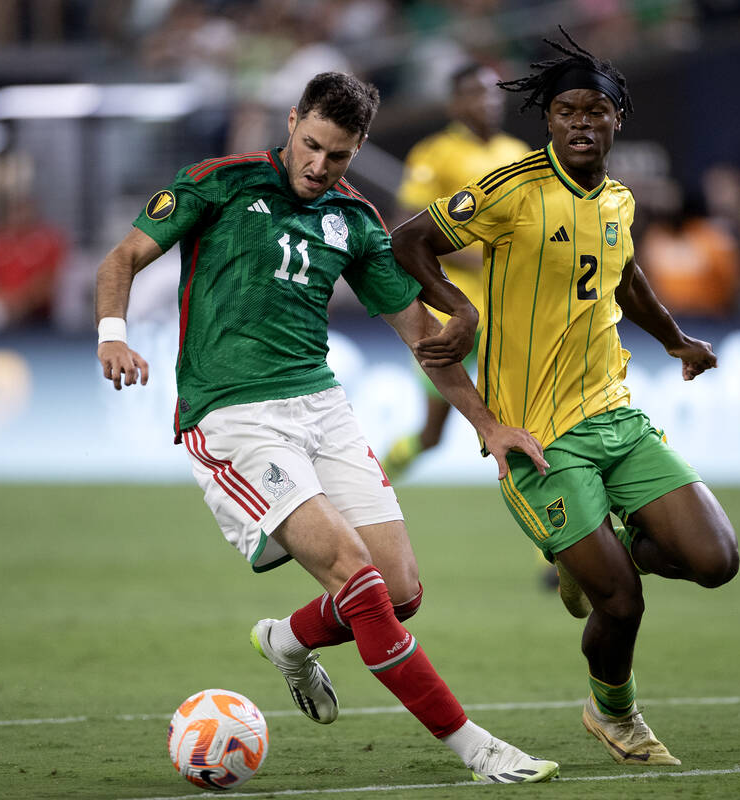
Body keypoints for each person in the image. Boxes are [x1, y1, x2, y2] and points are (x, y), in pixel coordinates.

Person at [94, 71, 559, 785]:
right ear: (291, 122)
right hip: (234, 417)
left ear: (358, 147)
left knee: (401, 593)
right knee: (362, 584)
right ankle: (477, 749)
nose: (318, 165)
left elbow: (421, 337)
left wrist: (488, 424)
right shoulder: (218, 183)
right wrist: (113, 334)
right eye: (310, 145)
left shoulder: (357, 222)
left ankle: (286, 640)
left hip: (323, 407)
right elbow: (123, 256)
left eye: (337, 155)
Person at [391, 30, 740, 766]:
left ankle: (605, 556)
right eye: (566, 110)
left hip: (617, 415)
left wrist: (676, 340)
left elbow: (623, 274)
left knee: (716, 560)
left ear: (619, 121)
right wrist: (462, 308)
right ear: (547, 120)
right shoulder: (511, 188)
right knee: (620, 602)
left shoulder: (617, 198)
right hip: (537, 439)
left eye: (596, 112)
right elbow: (409, 241)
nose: (581, 122)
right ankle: (615, 713)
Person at [381, 62, 530, 481]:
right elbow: (406, 228)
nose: (489, 101)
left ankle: (552, 541)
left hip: (509, 310)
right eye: (477, 93)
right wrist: (483, 257)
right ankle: (382, 474)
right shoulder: (434, 153)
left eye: (494, 93)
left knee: (524, 424)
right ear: (456, 102)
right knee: (433, 434)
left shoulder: (518, 155)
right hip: (450, 307)